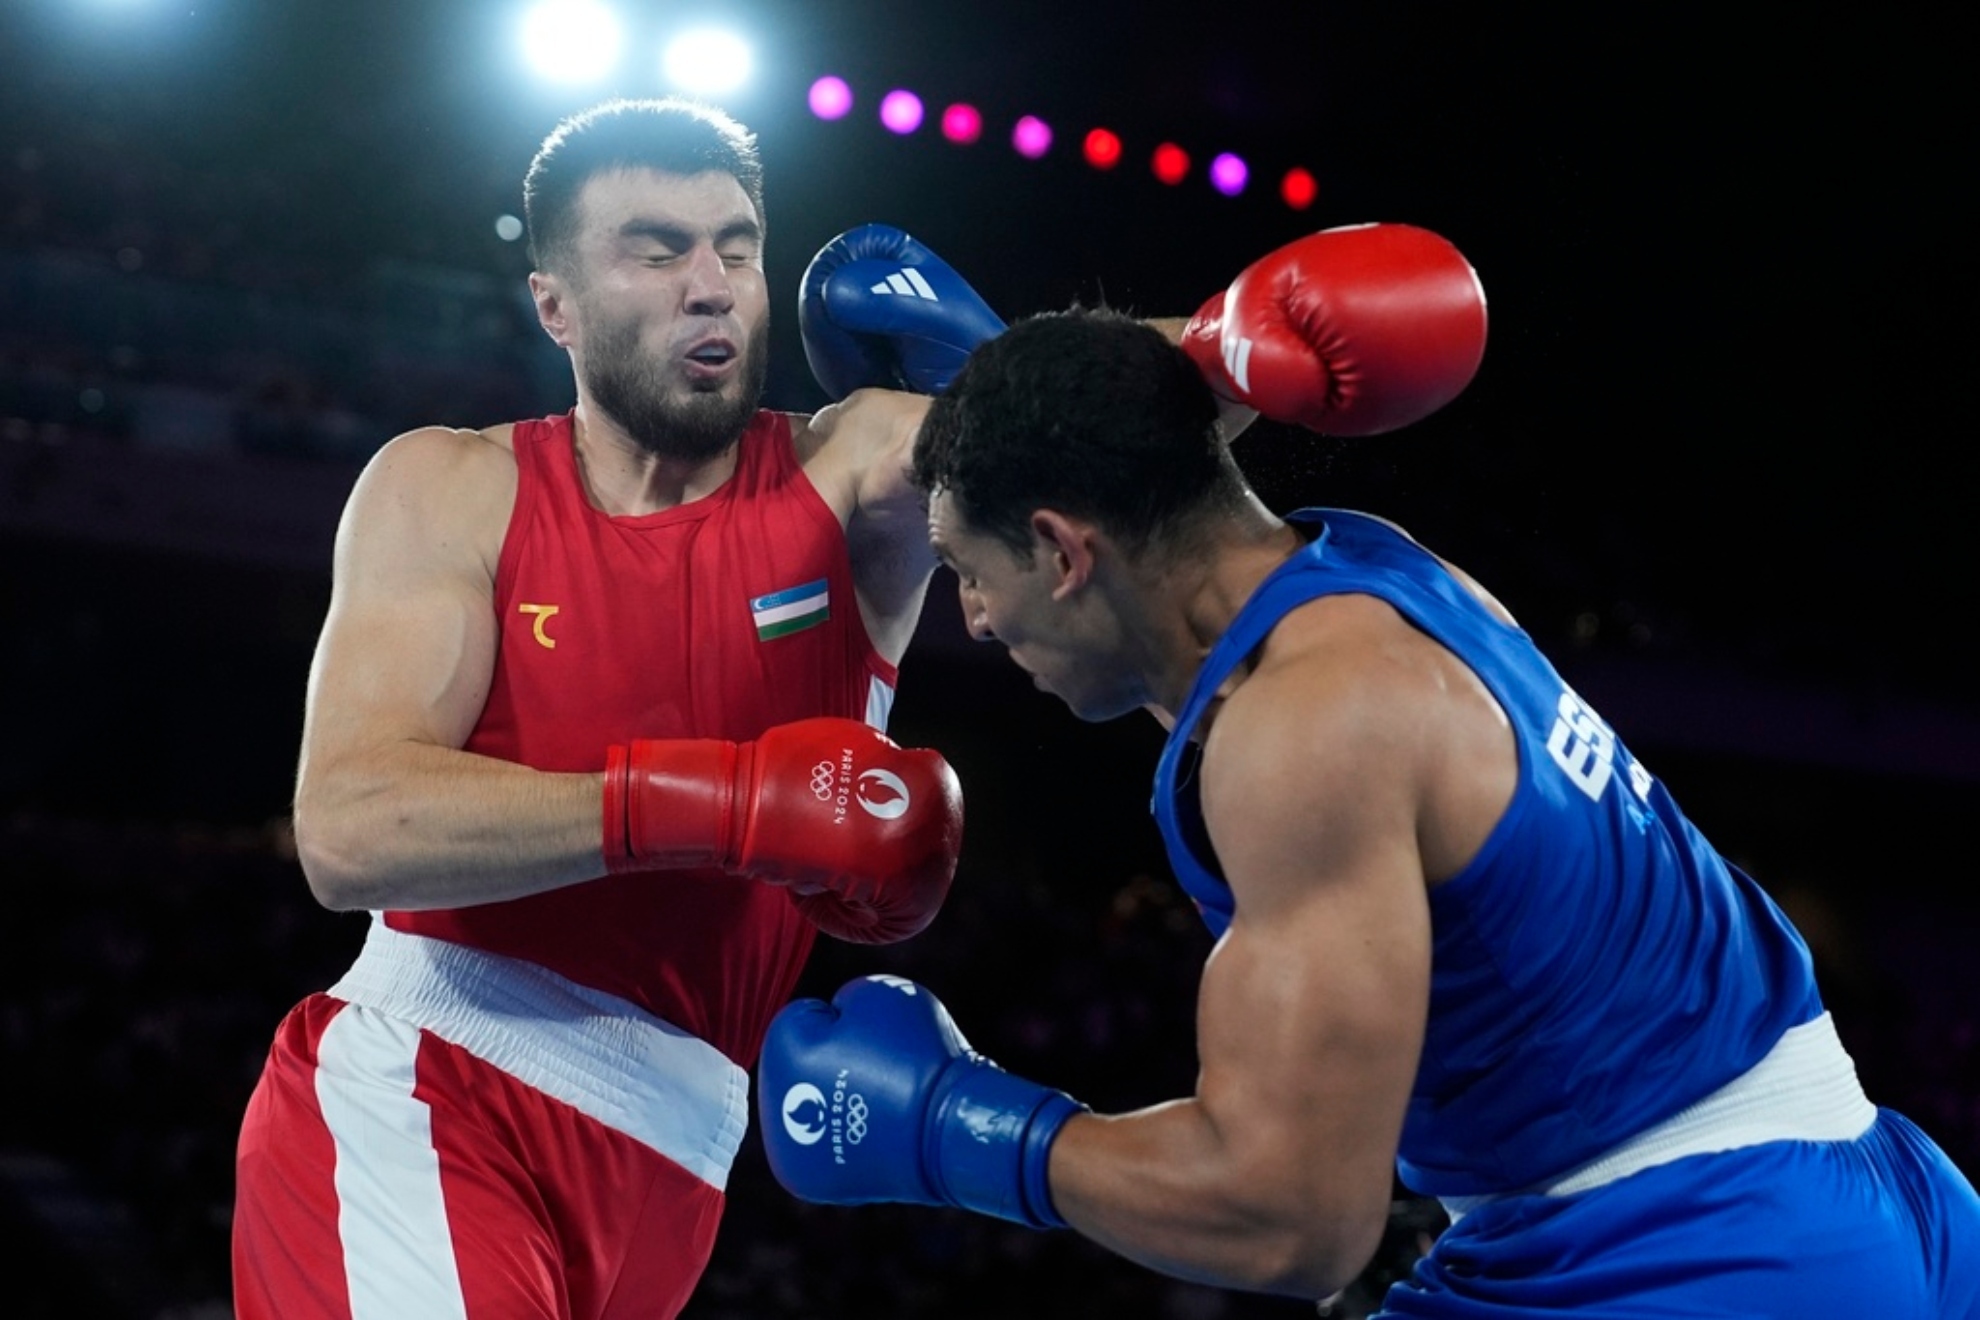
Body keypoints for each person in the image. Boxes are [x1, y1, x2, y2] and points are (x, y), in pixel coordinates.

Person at [753, 235, 1980, 1315]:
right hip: (1854, 1196)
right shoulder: (1363, 575)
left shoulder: (1306, 733)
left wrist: (948, 1127)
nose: (970, 617)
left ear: (1065, 553)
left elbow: (1291, 1223)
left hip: (1691, 1257)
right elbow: (1155, 435)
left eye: (972, 568)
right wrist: (1001, 390)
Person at [231, 95, 1017, 1319]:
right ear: (555, 303)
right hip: (434, 1082)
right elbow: (347, 828)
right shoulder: (452, 485)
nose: (712, 285)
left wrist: (1191, 354)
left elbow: (1127, 456)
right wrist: (725, 805)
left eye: (738, 247)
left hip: (677, 1165)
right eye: (656, 250)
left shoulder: (846, 467)